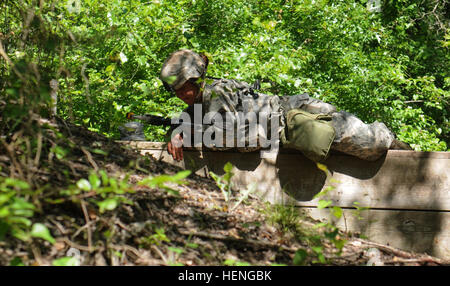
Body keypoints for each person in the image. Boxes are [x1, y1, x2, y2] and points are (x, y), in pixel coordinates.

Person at [160, 49, 410, 162]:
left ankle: (397, 144)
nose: (183, 94)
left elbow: (243, 139)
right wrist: (178, 132)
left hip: (291, 114)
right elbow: (189, 121)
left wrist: (197, 135)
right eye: (177, 90)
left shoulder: (216, 94)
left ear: (198, 78)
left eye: (186, 87)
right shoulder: (200, 103)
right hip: (285, 125)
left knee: (368, 142)